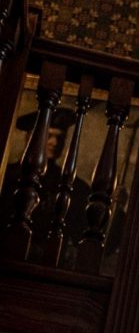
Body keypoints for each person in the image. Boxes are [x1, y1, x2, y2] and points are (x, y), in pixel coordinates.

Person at [0, 107, 90, 267]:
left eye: (59, 138)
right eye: (48, 136)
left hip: (47, 266)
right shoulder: (5, 176)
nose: (54, 143)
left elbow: (81, 233)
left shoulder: (76, 187)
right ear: (29, 138)